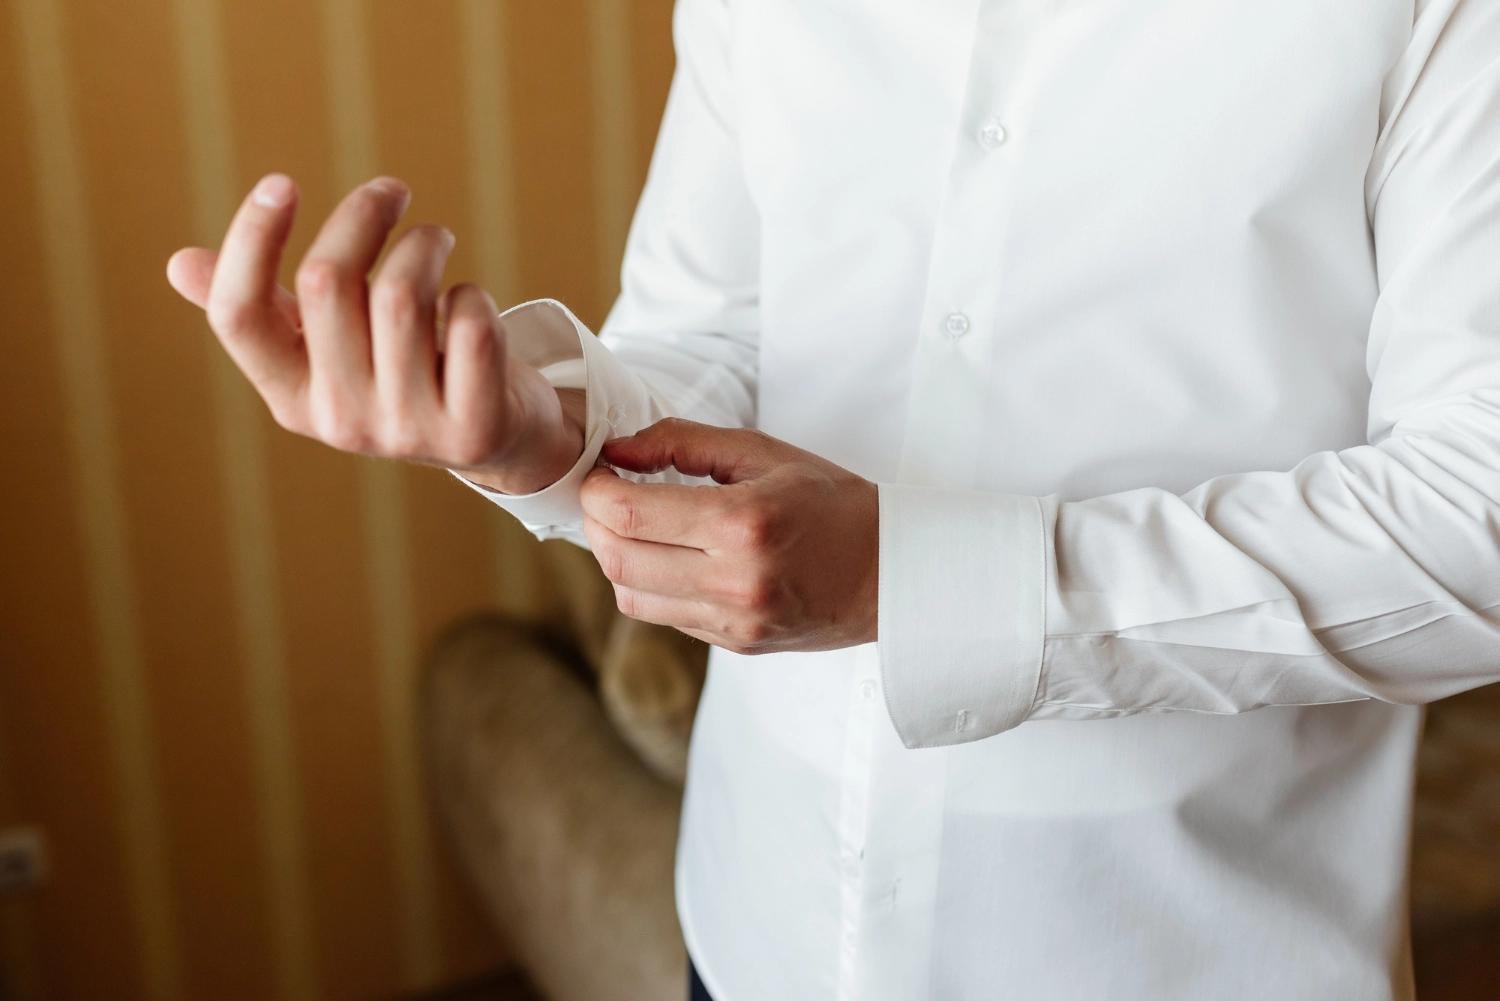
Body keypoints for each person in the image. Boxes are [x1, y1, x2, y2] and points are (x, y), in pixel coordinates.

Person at [167, 0, 1500, 998]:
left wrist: (916, 585)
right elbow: (713, 339)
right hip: (759, 930)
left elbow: (1477, 512)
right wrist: (543, 429)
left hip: (1175, 958)